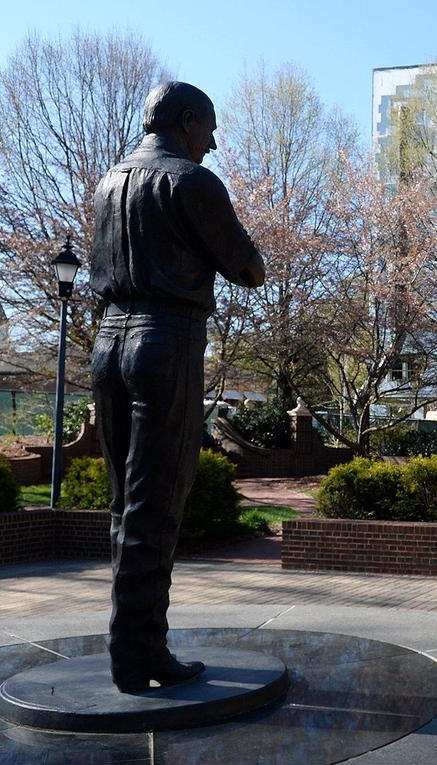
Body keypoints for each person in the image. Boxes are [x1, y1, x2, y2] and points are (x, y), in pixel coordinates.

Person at [89, 81, 266, 693]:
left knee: (125, 505)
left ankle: (137, 646)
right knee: (156, 504)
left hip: (107, 343)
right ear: (187, 120)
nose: (212, 143)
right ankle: (137, 655)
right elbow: (248, 268)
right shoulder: (190, 181)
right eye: (209, 127)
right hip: (166, 341)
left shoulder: (109, 182)